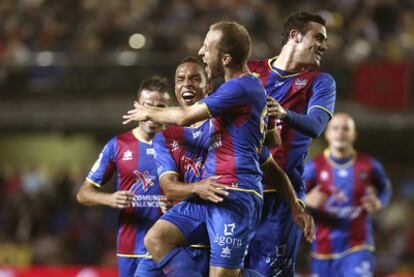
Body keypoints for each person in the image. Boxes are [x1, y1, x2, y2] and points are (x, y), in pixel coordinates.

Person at [123, 21, 268, 277]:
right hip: (204, 199)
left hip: (232, 192)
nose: (202, 52)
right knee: (156, 238)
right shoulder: (232, 99)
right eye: (180, 79)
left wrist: (149, 111)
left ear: (224, 58)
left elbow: (183, 117)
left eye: (206, 47)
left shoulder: (239, 88)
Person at [246, 12, 336, 276]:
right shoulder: (250, 71)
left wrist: (284, 114)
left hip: (283, 199)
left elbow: (316, 125)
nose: (324, 45)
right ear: (295, 35)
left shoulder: (320, 81)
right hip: (241, 190)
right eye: (318, 37)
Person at [76, 76, 172, 277]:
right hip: (129, 247)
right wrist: (109, 198)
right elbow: (83, 193)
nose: (151, 114)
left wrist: (178, 201)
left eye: (160, 107)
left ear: (169, 109)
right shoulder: (118, 145)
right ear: (137, 106)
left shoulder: (177, 145)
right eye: (147, 106)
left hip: (167, 245)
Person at [304, 113, 392, 277]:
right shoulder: (314, 166)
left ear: (354, 135)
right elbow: (294, 192)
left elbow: (385, 188)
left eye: (346, 129)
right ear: (327, 133)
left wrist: (380, 202)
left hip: (358, 245)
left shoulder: (368, 165)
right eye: (335, 128)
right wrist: (305, 199)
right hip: (323, 249)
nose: (341, 132)